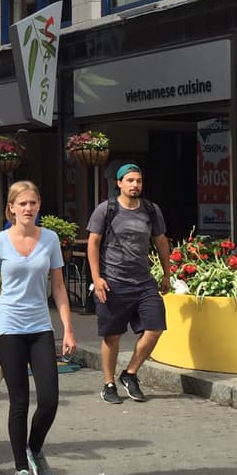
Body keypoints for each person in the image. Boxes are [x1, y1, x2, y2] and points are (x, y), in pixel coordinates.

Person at [0, 181, 77, 475]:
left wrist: (69, 329)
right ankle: (21, 470)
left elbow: (59, 288)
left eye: (33, 202)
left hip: (40, 326)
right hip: (8, 327)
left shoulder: (49, 240)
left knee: (49, 399)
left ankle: (34, 449)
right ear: (11, 208)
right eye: (22, 203)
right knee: (19, 401)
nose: (28, 208)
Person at [86, 163, 172, 405]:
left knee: (155, 328)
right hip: (113, 282)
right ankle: (109, 383)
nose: (135, 185)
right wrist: (97, 278)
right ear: (119, 183)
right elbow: (93, 244)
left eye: (139, 181)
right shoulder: (107, 209)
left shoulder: (151, 210)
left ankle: (130, 373)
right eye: (130, 180)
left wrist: (167, 273)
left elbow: (161, 242)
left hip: (143, 281)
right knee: (112, 336)